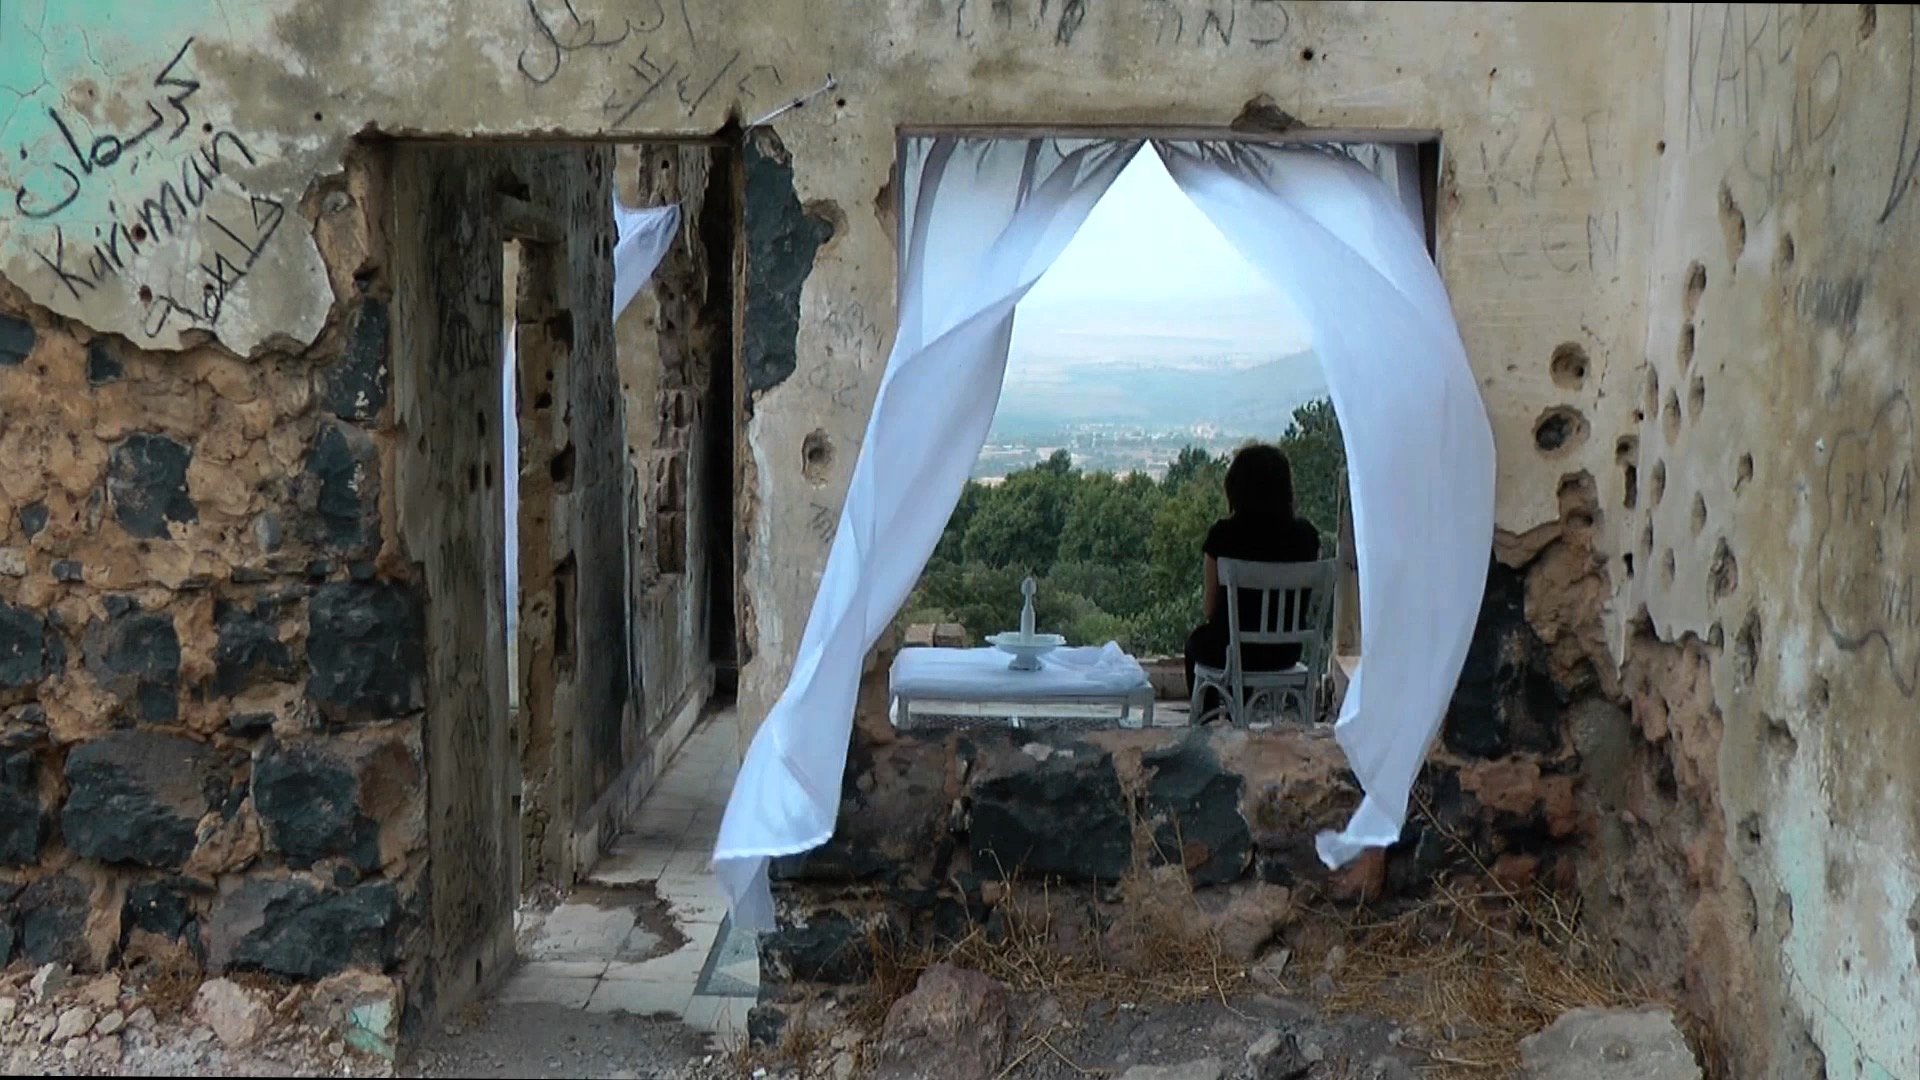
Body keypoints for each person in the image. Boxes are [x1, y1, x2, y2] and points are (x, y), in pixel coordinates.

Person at [1184, 443, 1321, 714]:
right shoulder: (1307, 537)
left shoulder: (1223, 536)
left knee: (1197, 643)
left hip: (1234, 654)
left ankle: (1207, 727)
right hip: (1285, 654)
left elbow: (1210, 609)